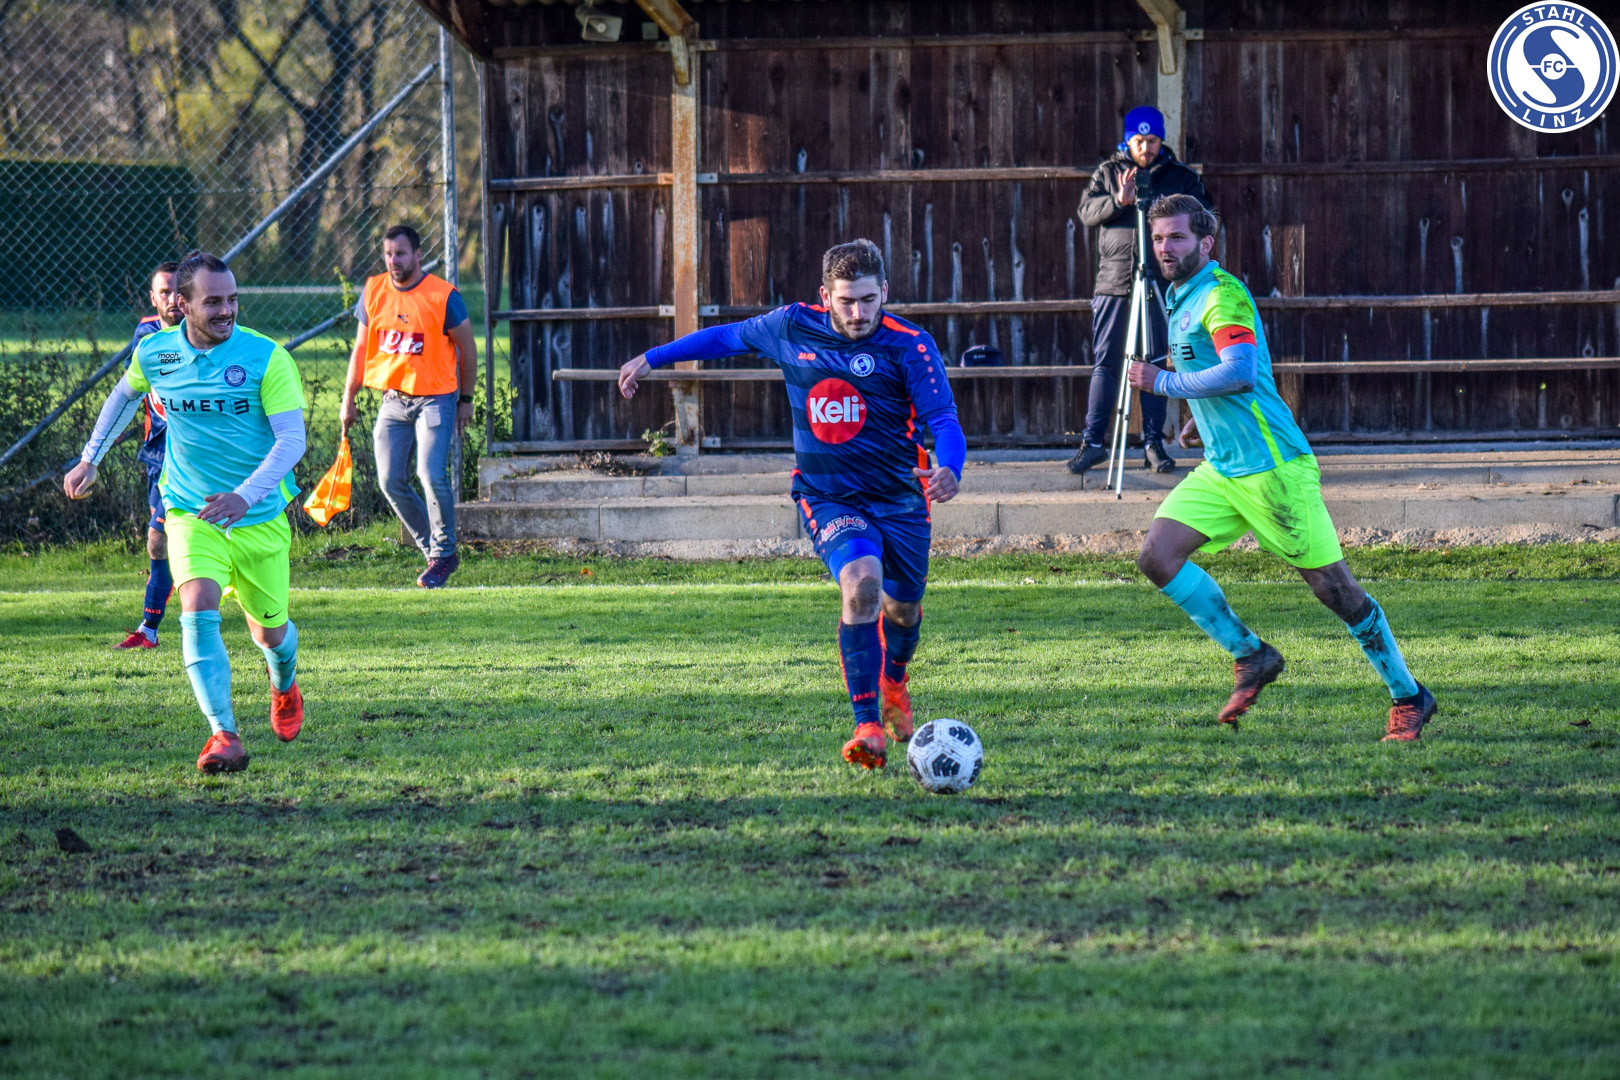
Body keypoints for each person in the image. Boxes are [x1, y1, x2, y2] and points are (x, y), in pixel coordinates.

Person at [618, 239, 966, 769]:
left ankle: (895, 682)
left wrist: (951, 467)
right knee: (861, 584)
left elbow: (942, 419)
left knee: (903, 609)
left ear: (885, 292)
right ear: (824, 296)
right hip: (829, 496)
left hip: (900, 499)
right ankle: (867, 726)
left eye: (869, 300)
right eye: (846, 301)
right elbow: (725, 337)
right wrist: (652, 358)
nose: (859, 313)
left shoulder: (911, 346)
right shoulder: (790, 326)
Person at [1126, 195, 1437, 741]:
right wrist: (1202, 416)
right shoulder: (1181, 295)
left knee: (1334, 589)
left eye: (1176, 237)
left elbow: (1241, 371)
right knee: (1157, 555)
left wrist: (1165, 384)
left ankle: (1409, 696)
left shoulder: (1221, 295)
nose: (1164, 248)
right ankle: (1252, 655)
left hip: (1273, 469)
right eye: (1157, 239)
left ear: (1206, 243)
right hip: (1223, 470)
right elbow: (1214, 369)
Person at [64, 250, 308, 772]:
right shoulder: (156, 353)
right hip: (190, 511)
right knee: (196, 608)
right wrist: (90, 458)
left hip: (258, 517)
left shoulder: (266, 357)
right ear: (182, 303)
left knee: (270, 634)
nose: (227, 311)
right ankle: (223, 735)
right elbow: (124, 397)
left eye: (233, 300)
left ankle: (284, 684)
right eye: (213, 301)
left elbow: (292, 440)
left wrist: (245, 495)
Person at [1071, 105, 1210, 477]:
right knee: (1107, 363)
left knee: (1156, 361)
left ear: (1161, 140)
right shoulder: (1109, 172)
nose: (1145, 148)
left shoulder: (1180, 176)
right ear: (1127, 140)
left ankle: (1153, 443)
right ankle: (1093, 443)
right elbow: (1086, 212)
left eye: (1151, 141)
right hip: (1115, 281)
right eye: (1138, 140)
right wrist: (1119, 201)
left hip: (1163, 282)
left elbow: (1205, 216)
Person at [339, 224, 477, 589]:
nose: (393, 260)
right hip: (394, 400)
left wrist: (466, 400)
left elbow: (468, 348)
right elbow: (360, 350)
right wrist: (348, 398)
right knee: (389, 480)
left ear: (418, 255)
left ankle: (444, 551)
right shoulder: (374, 290)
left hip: (436, 398)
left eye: (400, 253)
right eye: (388, 254)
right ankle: (434, 550)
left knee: (430, 474)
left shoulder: (442, 296)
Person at [110, 261, 182, 649]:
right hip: (158, 454)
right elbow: (132, 386)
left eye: (178, 290)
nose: (172, 299)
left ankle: (150, 629)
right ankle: (153, 628)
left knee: (158, 537)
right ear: (153, 298)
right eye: (164, 292)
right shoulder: (146, 334)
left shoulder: (207, 335)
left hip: (191, 456)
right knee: (164, 541)